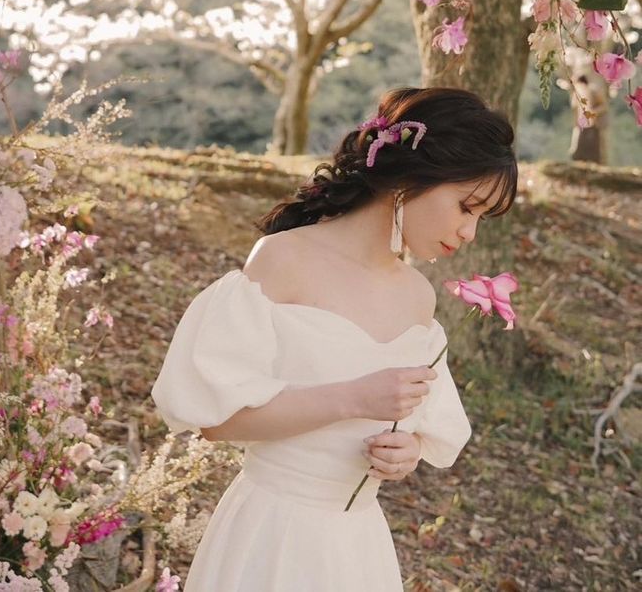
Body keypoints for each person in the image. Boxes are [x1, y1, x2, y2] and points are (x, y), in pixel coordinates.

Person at [151, 87, 517, 591]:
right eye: (466, 207)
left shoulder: (417, 296)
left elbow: (407, 423)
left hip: (356, 547)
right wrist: (353, 398)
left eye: (480, 217)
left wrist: (405, 452)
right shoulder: (284, 259)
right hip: (272, 534)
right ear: (413, 177)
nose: (470, 232)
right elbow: (218, 422)